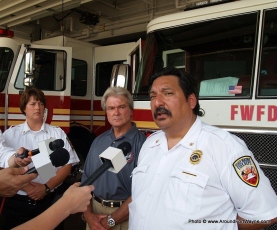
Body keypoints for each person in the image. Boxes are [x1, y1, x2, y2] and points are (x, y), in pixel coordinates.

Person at [128, 67, 277, 230]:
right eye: (153, 96)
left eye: (168, 93)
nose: (157, 102)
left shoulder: (225, 147)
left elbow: (263, 214)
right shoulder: (150, 144)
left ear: (191, 101)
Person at [0, 87, 80, 230]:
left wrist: (46, 188)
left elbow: (67, 165)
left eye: (41, 104)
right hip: (16, 204)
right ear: (24, 108)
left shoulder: (56, 133)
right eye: (32, 104)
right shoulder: (10, 134)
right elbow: (3, 167)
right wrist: (28, 188)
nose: (37, 107)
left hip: (48, 202)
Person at [82, 87, 146, 230]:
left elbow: (142, 193)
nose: (116, 112)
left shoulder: (143, 145)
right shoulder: (98, 141)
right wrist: (88, 216)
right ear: (106, 113)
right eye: (111, 108)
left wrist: (110, 221)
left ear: (131, 111)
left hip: (124, 217)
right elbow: (85, 181)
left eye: (121, 107)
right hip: (94, 213)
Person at [12, 182, 94, 230]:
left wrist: (46, 187)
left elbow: (50, 172)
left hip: (49, 198)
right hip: (15, 203)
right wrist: (66, 205)